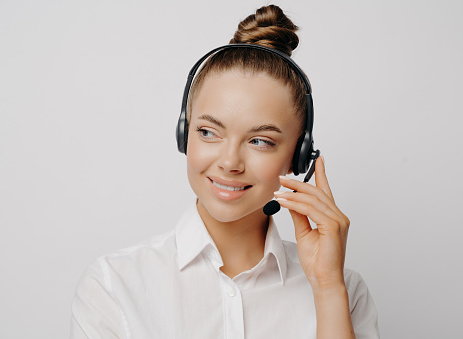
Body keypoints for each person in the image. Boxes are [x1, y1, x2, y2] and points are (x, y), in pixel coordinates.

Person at [70, 5, 379, 338]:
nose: (230, 162)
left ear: (299, 156)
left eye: (260, 141)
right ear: (183, 134)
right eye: (208, 132)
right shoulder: (113, 286)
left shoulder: (344, 290)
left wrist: (327, 288)